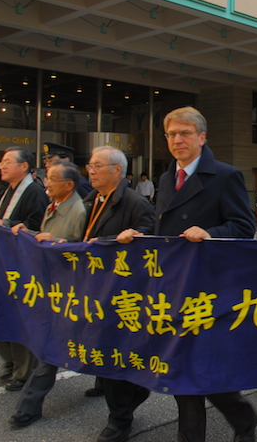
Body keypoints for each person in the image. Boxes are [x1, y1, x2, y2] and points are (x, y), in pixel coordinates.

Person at [118, 106, 257, 442]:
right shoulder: (167, 177)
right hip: (172, 287)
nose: (177, 140)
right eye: (171, 134)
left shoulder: (225, 175)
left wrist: (210, 234)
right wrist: (140, 235)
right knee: (181, 367)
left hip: (209, 287)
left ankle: (242, 418)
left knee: (205, 366)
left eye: (185, 133)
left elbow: (244, 227)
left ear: (202, 137)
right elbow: (163, 226)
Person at [76, 146, 156, 442]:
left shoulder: (135, 203)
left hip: (120, 294)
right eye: (90, 165)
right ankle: (128, 391)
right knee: (101, 351)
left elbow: (147, 242)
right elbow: (80, 239)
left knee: (113, 353)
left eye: (97, 165)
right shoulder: (91, 200)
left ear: (117, 170)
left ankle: (119, 419)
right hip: (91, 288)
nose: (91, 171)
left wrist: (112, 240)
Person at [7, 160, 88, 428]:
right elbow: (47, 238)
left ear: (69, 185)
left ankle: (28, 407)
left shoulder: (77, 210)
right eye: (47, 178)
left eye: (52, 179)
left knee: (49, 349)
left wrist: (55, 244)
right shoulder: (55, 206)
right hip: (52, 288)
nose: (47, 183)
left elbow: (80, 252)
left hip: (68, 292)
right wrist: (27, 232)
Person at [0, 146, 48, 391]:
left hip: (19, 267)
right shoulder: (6, 191)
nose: (1, 166)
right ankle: (13, 360)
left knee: (16, 319)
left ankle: (23, 371)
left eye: (7, 161)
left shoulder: (34, 192)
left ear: (24, 166)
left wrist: (4, 223)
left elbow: (35, 227)